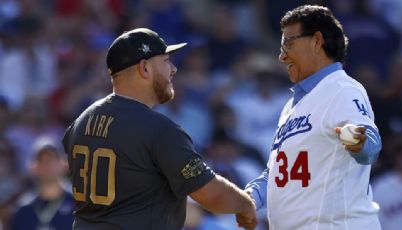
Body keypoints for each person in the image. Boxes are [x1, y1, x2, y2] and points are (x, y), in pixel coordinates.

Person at [62, 28, 257, 230]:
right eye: (165, 61)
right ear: (145, 68)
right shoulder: (160, 129)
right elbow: (210, 194)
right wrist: (245, 204)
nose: (173, 69)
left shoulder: (81, 121)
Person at [239, 5, 382, 230]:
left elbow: (370, 145)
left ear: (316, 41)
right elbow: (277, 172)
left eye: (288, 44)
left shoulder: (342, 89)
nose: (282, 55)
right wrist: (250, 198)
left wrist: (357, 141)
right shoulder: (292, 106)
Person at [11, 137, 74, 230]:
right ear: (32, 167)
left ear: (64, 164)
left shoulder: (79, 205)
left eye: (52, 160)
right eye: (42, 160)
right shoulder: (23, 209)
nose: (47, 165)